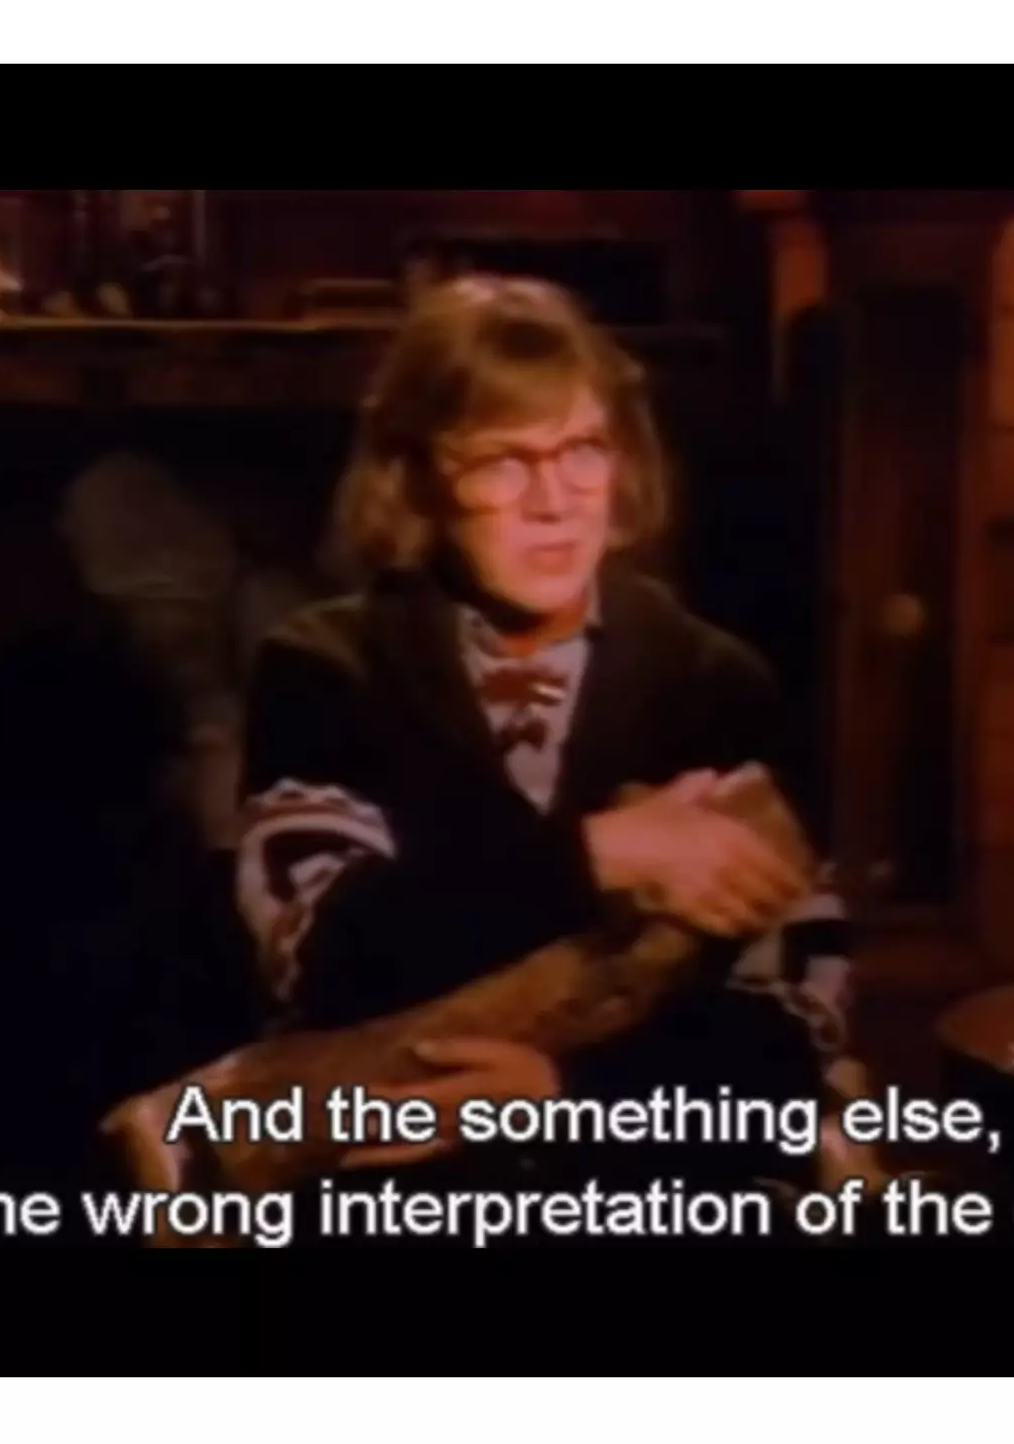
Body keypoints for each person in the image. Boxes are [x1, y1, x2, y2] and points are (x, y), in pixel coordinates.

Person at [234, 275, 855, 1229]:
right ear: (418, 477)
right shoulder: (326, 669)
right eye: (501, 462)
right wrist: (605, 853)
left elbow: (797, 1027)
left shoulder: (716, 681)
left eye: (582, 450)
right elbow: (326, 955)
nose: (554, 502)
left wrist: (565, 1094)